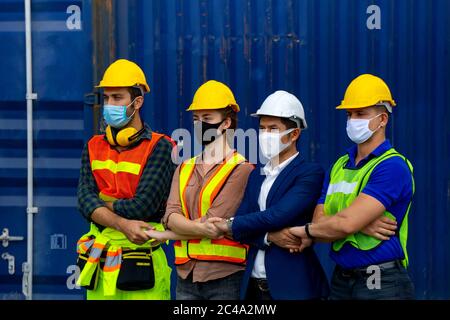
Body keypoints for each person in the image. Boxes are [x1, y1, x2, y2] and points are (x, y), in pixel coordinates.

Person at [290, 74, 415, 300]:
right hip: (342, 279)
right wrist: (357, 223)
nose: (352, 120)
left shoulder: (392, 166)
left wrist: (337, 225)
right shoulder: (340, 164)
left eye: (360, 114)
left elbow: (342, 224)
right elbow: (321, 220)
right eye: (349, 114)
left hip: (381, 280)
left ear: (383, 119)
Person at [211, 91, 329, 300]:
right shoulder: (256, 174)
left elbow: (278, 215)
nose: (265, 135)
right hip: (253, 287)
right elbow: (241, 227)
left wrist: (229, 224)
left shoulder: (309, 173)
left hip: (292, 287)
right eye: (262, 128)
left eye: (273, 129)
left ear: (294, 134)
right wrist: (269, 236)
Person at [76, 59, 175, 300]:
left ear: (137, 102)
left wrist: (100, 205)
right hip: (101, 267)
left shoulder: (160, 146)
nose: (109, 104)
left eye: (117, 98)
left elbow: (142, 206)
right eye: (107, 98)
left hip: (142, 268)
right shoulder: (93, 146)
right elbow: (83, 202)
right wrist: (122, 223)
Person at [147, 80, 254, 300]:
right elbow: (170, 215)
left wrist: (166, 233)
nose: (199, 125)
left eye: (207, 119)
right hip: (186, 275)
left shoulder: (240, 168)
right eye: (196, 119)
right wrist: (190, 226)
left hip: (224, 276)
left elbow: (215, 223)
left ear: (225, 123)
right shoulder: (184, 167)